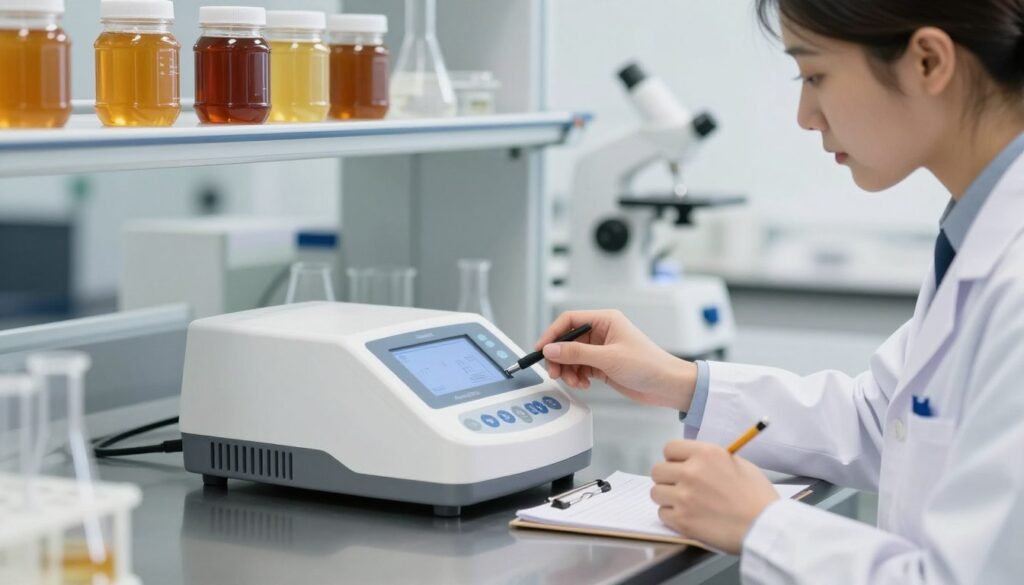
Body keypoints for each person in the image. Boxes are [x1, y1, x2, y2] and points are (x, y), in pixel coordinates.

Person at [535, 0, 1024, 582]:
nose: (804, 114)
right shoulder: (977, 232)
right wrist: (678, 380)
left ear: (926, 61)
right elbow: (886, 419)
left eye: (814, 74)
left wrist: (760, 523)